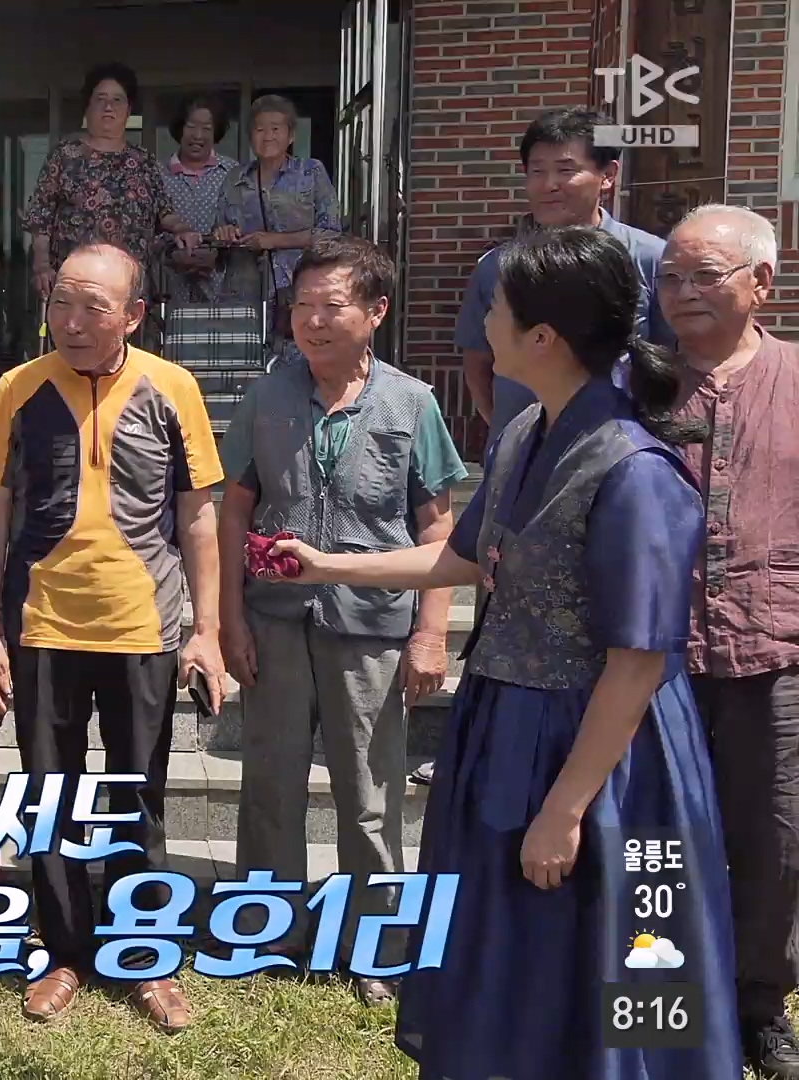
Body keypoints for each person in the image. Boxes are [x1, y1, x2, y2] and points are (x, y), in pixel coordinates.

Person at [270, 226, 739, 1078]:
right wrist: (327, 565)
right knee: (513, 949)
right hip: (506, 728)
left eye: (497, 308)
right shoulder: (525, 433)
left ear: (543, 337)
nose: (483, 322)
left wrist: (564, 809)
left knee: (628, 960)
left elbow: (638, 662)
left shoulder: (637, 471)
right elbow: (460, 558)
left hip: (608, 757)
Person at [0, 239, 227, 1032]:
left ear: (133, 315)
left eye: (93, 308)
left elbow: (198, 516)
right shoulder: (18, 387)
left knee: (137, 799)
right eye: (60, 304)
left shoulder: (173, 387)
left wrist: (207, 631)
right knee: (51, 798)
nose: (71, 322)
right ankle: (65, 953)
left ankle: (146, 955)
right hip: (43, 626)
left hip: (143, 628)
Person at [216, 235, 467, 1007]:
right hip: (275, 620)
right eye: (301, 306)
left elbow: (438, 531)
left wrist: (431, 633)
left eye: (331, 306)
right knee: (270, 784)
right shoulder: (265, 397)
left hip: (374, 626)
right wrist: (228, 621)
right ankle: (268, 932)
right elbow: (234, 512)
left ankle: (376, 947)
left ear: (375, 311)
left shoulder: (411, 403)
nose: (313, 322)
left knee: (369, 793)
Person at [659, 204, 799, 1079]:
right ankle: (660, 1003)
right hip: (654, 659)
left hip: (775, 652)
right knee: (656, 837)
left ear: (762, 283)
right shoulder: (637, 386)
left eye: (704, 275)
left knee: (774, 841)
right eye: (669, 276)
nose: (682, 292)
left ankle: (759, 1008)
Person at [458, 107, 676, 453]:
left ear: (608, 175)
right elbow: (478, 362)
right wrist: (509, 431)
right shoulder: (495, 267)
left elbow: (672, 357)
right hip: (522, 455)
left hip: (615, 451)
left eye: (565, 170)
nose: (549, 185)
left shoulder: (651, 258)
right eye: (537, 171)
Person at [24, 63, 201, 303]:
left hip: (129, 290)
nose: (108, 107)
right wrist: (42, 267)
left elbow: (164, 211)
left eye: (117, 100)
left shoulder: (144, 161)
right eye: (100, 99)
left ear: (129, 110)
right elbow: (40, 220)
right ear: (87, 107)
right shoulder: (64, 156)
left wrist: (183, 229)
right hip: (77, 289)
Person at [212, 94, 340, 356]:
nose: (267, 136)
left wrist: (274, 241)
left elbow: (331, 234)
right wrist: (224, 235)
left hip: (298, 290)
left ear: (290, 136)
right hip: (245, 294)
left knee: (300, 361)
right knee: (245, 363)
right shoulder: (235, 178)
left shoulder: (311, 172)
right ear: (250, 137)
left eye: (275, 129)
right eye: (259, 129)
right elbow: (218, 236)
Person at [155, 95, 240, 303]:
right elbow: (148, 228)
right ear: (179, 129)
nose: (198, 136)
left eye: (207, 128)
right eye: (191, 127)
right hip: (169, 290)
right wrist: (175, 254)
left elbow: (242, 225)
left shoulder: (233, 172)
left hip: (221, 292)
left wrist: (217, 252)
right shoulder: (157, 173)